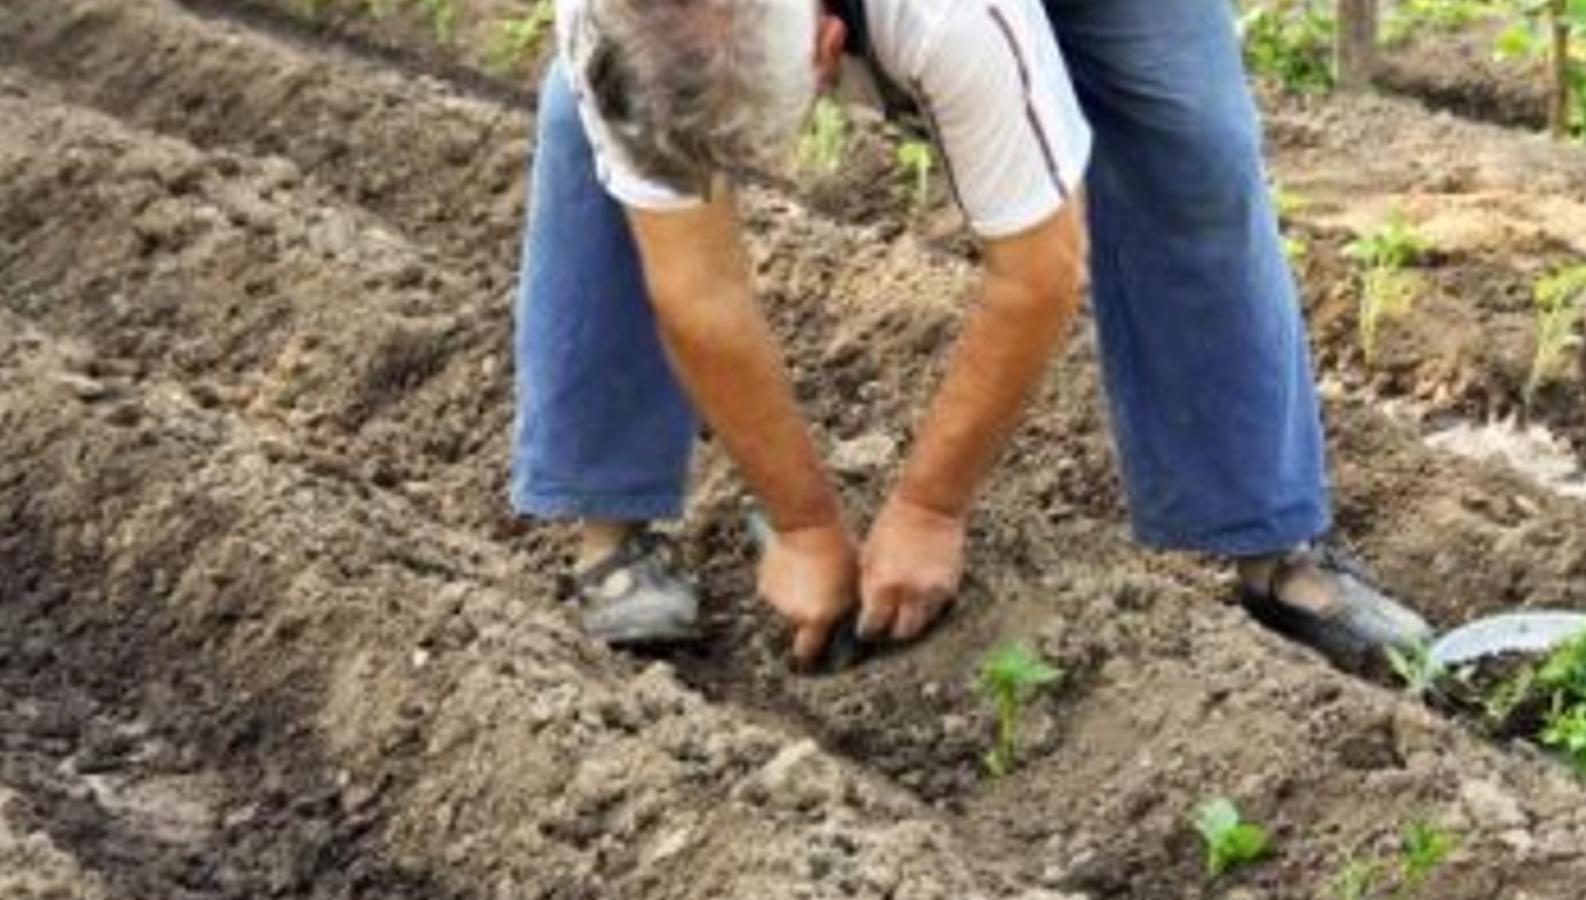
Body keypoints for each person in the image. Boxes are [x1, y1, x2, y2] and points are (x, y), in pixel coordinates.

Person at [510, 0, 1431, 665]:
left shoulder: (954, 18)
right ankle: (614, 532)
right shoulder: (610, 19)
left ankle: (1268, 536)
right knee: (615, 115)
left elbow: (1035, 273)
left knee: (1190, 136)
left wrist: (927, 510)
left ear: (830, 43)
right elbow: (697, 289)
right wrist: (803, 523)